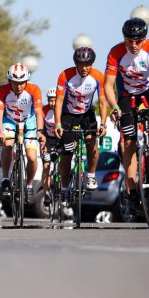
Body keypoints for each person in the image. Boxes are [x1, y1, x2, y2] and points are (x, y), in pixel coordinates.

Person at [104, 17, 149, 207]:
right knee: (129, 142)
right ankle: (132, 190)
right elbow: (108, 85)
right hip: (127, 94)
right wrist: (115, 107)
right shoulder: (116, 52)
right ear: (124, 39)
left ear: (145, 39)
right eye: (129, 41)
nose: (134, 45)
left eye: (138, 41)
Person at [53, 47, 108, 206]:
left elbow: (102, 102)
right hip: (68, 115)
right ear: (76, 63)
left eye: (88, 64)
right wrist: (57, 123)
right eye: (81, 64)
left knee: (91, 141)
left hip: (86, 114)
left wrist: (103, 124)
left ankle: (91, 175)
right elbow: (58, 102)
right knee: (67, 152)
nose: (84, 68)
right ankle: (64, 188)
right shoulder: (65, 75)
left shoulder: (98, 76)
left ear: (92, 64)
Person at [0, 63, 46, 204]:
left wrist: (40, 131)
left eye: (22, 82)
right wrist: (0, 132)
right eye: (15, 82)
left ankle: (29, 186)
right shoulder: (2, 91)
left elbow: (38, 112)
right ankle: (6, 179)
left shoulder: (34, 90)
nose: (19, 86)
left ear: (27, 80)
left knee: (32, 157)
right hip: (9, 120)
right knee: (8, 145)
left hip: (29, 121)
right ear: (9, 81)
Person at [40, 87, 59, 208]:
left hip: (59, 139)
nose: (52, 103)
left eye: (55, 100)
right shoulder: (44, 110)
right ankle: (46, 194)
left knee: (63, 163)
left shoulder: (63, 109)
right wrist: (42, 143)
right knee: (46, 166)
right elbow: (39, 127)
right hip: (47, 140)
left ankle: (61, 186)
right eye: (50, 100)